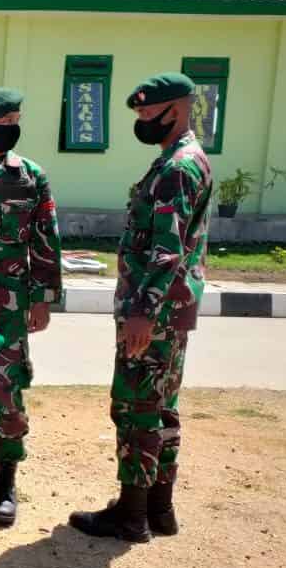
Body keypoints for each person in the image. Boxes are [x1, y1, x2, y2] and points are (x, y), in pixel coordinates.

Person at [71, 72, 212, 542]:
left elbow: (166, 249)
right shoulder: (188, 160)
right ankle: (159, 508)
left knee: (135, 408)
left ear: (177, 109)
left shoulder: (176, 168)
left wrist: (142, 312)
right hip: (173, 309)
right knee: (162, 406)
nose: (142, 121)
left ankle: (131, 515)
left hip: (153, 311)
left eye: (148, 113)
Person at [0, 88, 62, 527]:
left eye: (17, 120)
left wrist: (42, 300)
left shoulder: (29, 176)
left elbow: (45, 241)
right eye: (6, 123)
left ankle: (5, 482)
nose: (14, 130)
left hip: (7, 307)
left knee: (8, 392)